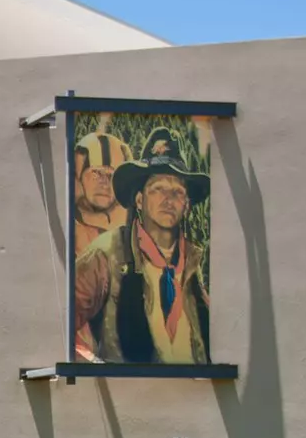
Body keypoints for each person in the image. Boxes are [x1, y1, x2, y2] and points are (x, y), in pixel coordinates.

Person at [71, 148, 211, 364]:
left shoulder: (193, 261)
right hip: (128, 394)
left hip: (190, 394)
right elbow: (59, 322)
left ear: (187, 206)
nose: (168, 200)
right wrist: (95, 368)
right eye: (158, 189)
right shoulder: (107, 252)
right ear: (139, 200)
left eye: (178, 193)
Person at [71, 130, 133, 255]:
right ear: (78, 177)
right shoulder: (66, 227)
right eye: (96, 173)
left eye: (112, 175)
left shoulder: (133, 230)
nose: (105, 183)